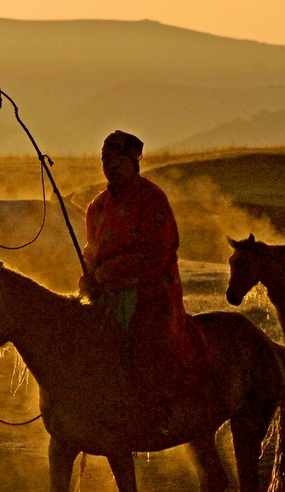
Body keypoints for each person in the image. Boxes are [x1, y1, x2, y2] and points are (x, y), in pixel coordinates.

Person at [78, 131, 200, 426]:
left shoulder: (152, 199)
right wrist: (89, 274)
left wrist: (113, 271)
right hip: (105, 292)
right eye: (106, 160)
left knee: (150, 344)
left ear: (134, 163)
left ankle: (160, 412)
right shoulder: (96, 206)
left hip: (152, 291)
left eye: (119, 160)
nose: (111, 166)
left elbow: (160, 250)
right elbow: (92, 250)